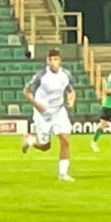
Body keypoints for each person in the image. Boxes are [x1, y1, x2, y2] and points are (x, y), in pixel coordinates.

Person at [22, 49, 75, 182]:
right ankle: (29, 140)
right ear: (47, 61)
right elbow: (26, 91)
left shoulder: (66, 74)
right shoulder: (41, 76)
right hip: (43, 113)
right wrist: (36, 104)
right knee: (45, 146)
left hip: (59, 110)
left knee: (65, 140)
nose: (52, 62)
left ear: (59, 60)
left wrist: (71, 99)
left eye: (55, 59)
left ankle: (63, 174)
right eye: (50, 59)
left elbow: (70, 91)